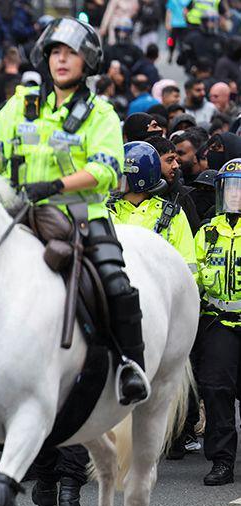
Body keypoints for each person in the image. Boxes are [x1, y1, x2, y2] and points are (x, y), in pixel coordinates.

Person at [0, 17, 149, 405]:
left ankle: (130, 366)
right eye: (55, 51)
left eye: (70, 52)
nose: (60, 59)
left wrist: (55, 186)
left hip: (79, 217)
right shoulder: (23, 102)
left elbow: (106, 169)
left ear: (86, 61)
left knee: (115, 283)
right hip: (16, 211)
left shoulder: (100, 113)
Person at [193, 158, 241, 486]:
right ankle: (222, 460)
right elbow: (192, 278)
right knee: (215, 389)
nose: (235, 195)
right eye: (230, 188)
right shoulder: (208, 232)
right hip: (219, 322)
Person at [109, 142, 196, 268]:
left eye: (120, 175)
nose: (115, 180)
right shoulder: (107, 212)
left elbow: (189, 267)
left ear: (139, 179)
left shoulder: (173, 215)